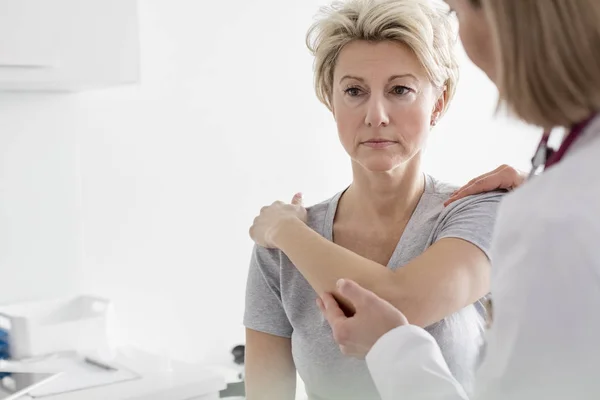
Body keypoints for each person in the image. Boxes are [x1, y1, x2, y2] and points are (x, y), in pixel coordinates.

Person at [314, 0, 600, 399]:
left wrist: (393, 349)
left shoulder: (522, 211)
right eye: (354, 90)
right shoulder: (555, 197)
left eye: (457, 13)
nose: (376, 115)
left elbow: (398, 300)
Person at [243, 0, 506, 399]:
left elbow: (399, 309)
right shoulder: (276, 255)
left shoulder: (479, 211)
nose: (376, 114)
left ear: (438, 102)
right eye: (354, 91)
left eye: (400, 89)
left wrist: (284, 230)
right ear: (331, 102)